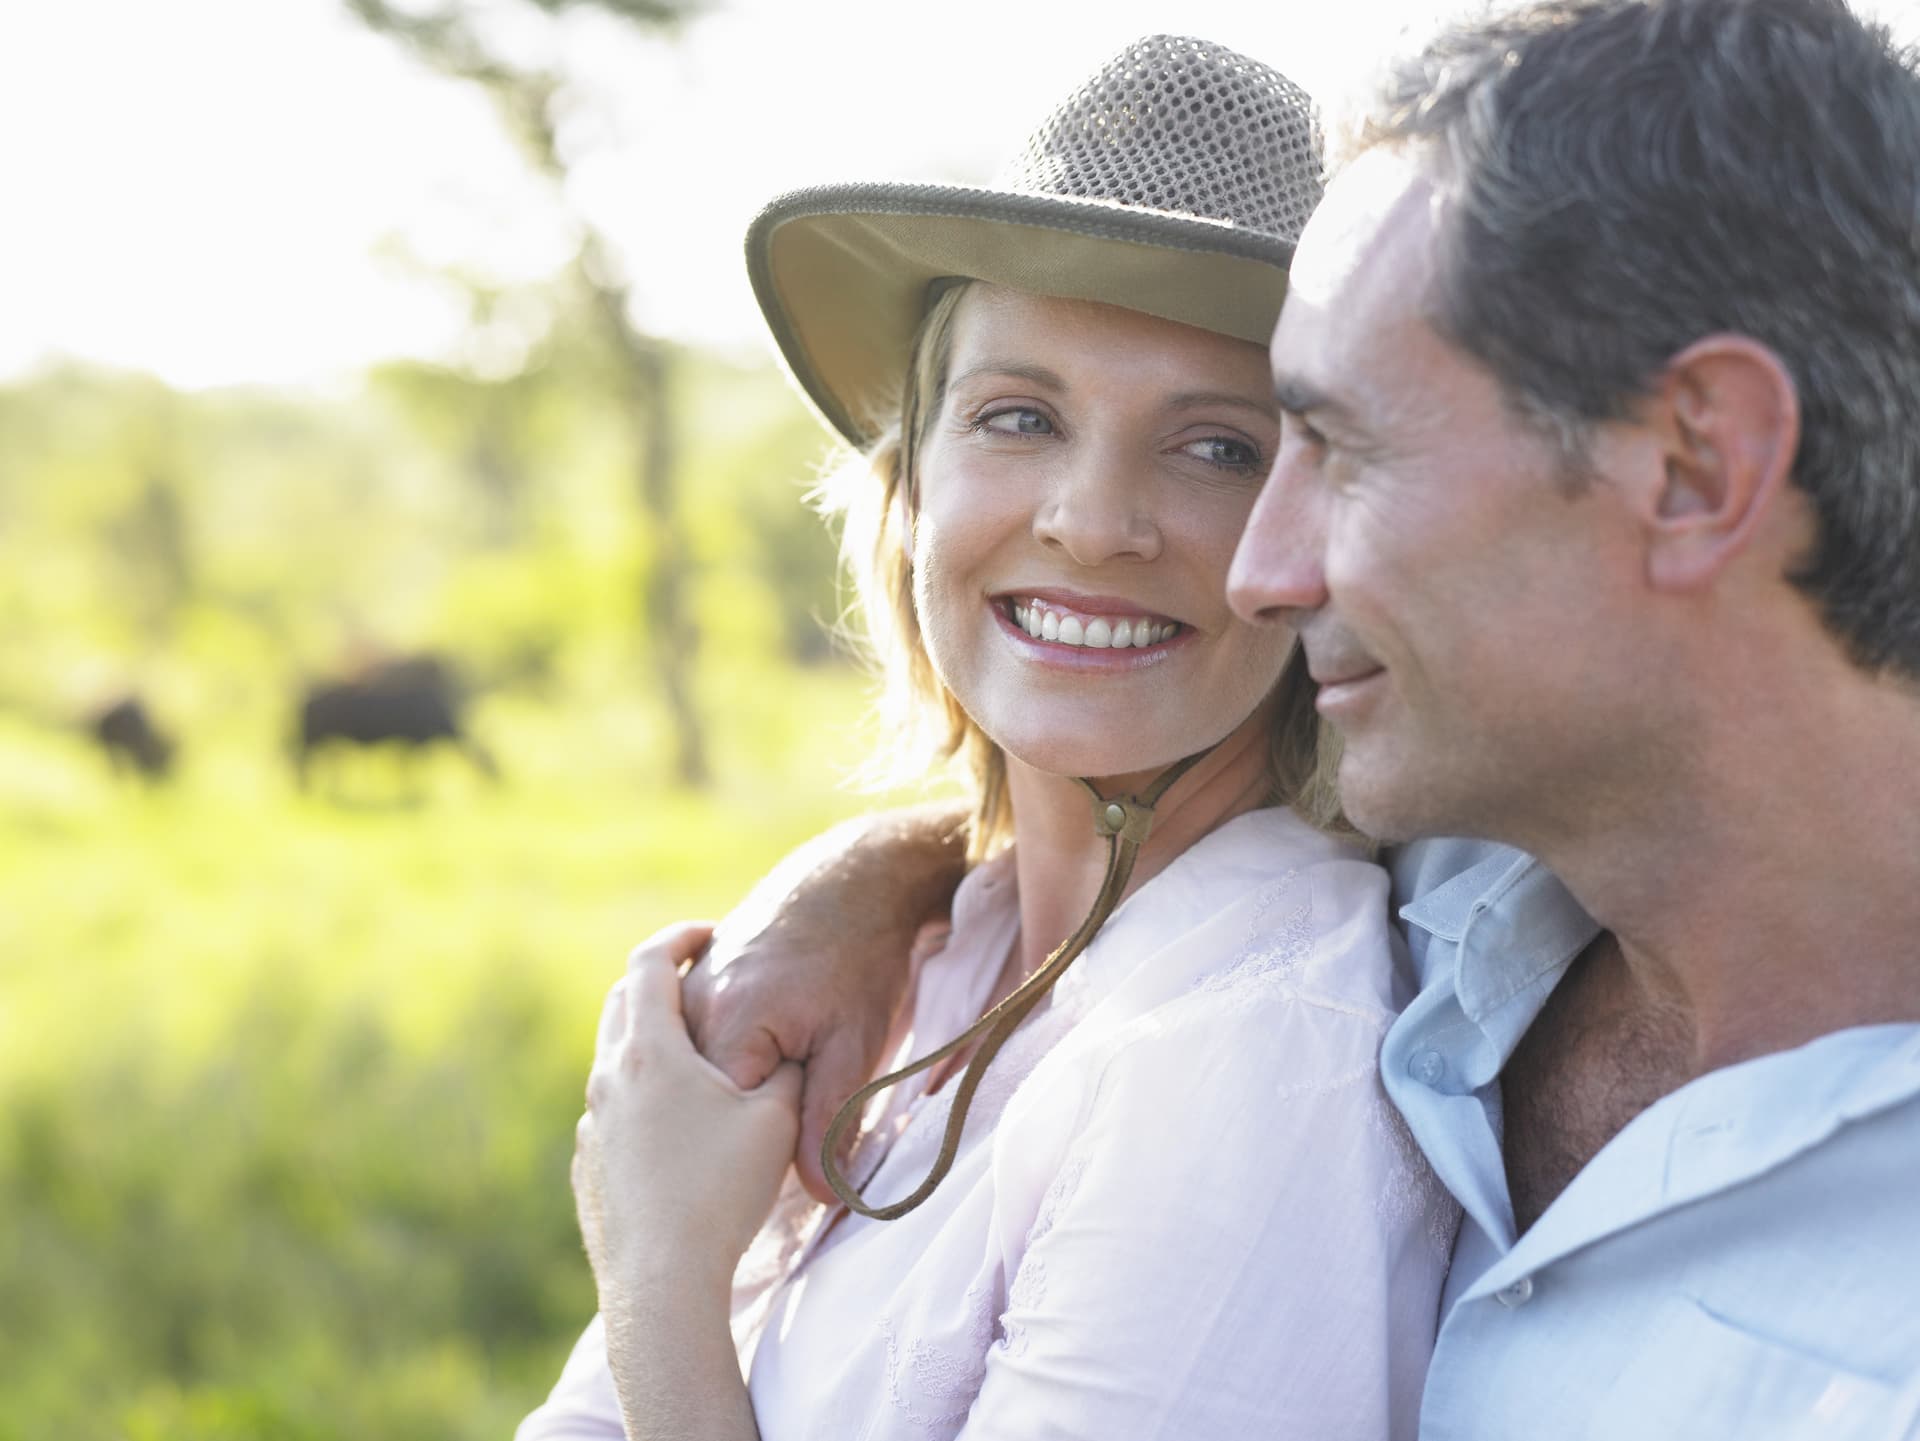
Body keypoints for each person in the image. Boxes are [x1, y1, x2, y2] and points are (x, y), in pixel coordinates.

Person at [665, 2, 1920, 1437]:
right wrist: (871, 887)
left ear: (1696, 465)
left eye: (1325, 444)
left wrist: (656, 1260)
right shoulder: (1467, 868)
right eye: (1017, 417)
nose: (1267, 566)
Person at [521, 37, 1455, 1441]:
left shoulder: (1246, 1046)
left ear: (1313, 534)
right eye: (1019, 416)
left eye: (1217, 446)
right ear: (911, 489)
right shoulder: (927, 960)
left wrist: (658, 1274)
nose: (1092, 519)